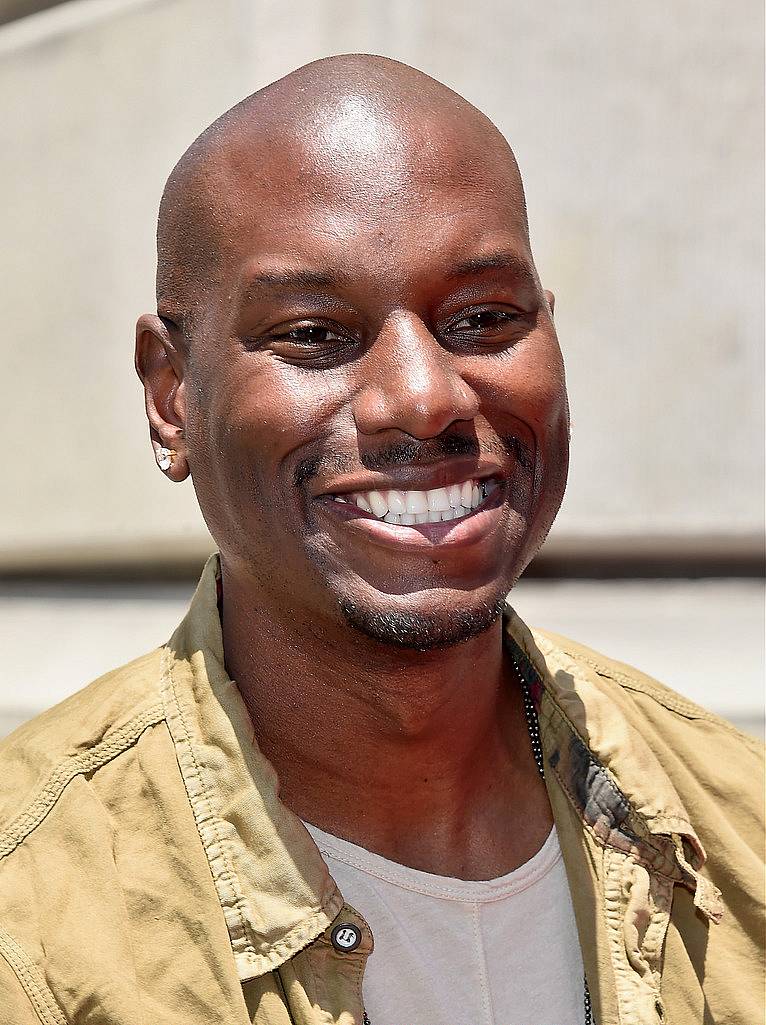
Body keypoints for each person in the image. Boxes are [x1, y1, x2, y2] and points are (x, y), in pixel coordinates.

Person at [0, 55, 762, 1025]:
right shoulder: (31, 920)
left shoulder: (735, 831)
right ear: (169, 394)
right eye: (315, 333)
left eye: (484, 318)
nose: (424, 396)